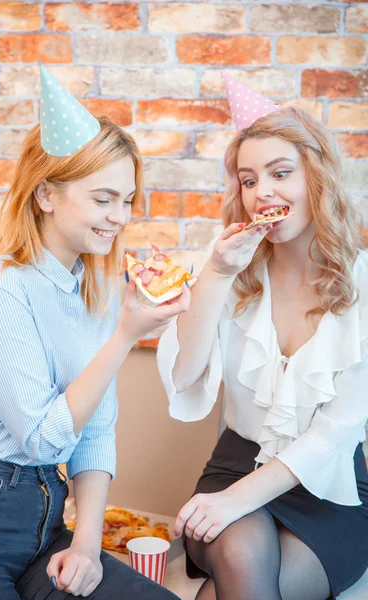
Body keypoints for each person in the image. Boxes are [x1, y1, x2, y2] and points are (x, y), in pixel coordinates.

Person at [0, 66, 188, 600]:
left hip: (47, 529)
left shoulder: (97, 289)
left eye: (127, 200)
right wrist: (124, 338)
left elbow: (94, 433)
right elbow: (42, 437)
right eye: (103, 198)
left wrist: (87, 545)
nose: (119, 217)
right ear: (45, 194)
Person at [157, 74, 368, 600]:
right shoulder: (232, 266)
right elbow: (183, 377)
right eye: (248, 180)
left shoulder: (363, 282)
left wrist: (234, 502)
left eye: (280, 173)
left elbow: (335, 435)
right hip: (235, 463)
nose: (261, 193)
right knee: (240, 550)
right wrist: (216, 274)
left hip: (331, 485)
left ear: (316, 177)